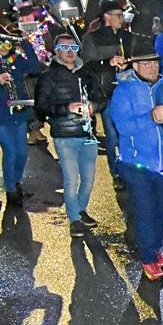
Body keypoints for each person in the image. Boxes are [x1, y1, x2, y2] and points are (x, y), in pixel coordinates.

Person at [110, 38, 163, 280]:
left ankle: (155, 248)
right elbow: (123, 127)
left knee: (161, 211)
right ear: (134, 66)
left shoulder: (162, 88)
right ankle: (148, 258)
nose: (152, 67)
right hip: (136, 164)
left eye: (155, 63)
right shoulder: (123, 91)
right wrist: (151, 117)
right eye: (146, 63)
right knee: (145, 212)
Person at [34, 33, 99, 236]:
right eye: (64, 48)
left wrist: (93, 106)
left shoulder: (87, 73)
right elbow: (41, 106)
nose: (70, 52)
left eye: (73, 48)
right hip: (64, 135)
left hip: (88, 133)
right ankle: (74, 219)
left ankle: (80, 210)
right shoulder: (48, 76)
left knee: (88, 180)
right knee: (71, 180)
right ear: (56, 51)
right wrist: (66, 107)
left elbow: (101, 97)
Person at [0, 32, 41, 205]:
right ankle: (11, 190)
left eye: (7, 44)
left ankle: (16, 182)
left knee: (22, 152)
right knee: (10, 151)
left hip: (18, 111)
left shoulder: (16, 59)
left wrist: (26, 44)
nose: (3, 48)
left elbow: (35, 68)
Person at [80, 0, 134, 186]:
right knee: (113, 134)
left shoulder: (126, 37)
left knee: (128, 131)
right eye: (118, 15)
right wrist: (108, 62)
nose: (122, 18)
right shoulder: (92, 38)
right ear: (107, 17)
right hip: (106, 92)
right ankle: (116, 172)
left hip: (127, 90)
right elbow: (86, 66)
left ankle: (129, 167)